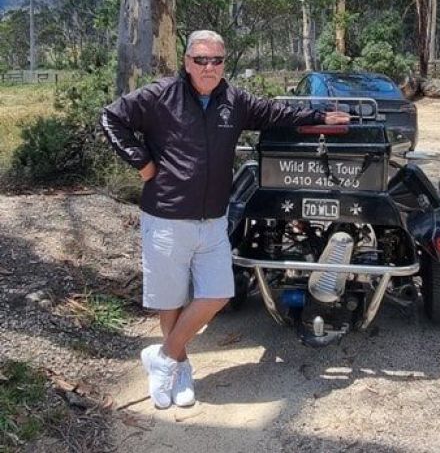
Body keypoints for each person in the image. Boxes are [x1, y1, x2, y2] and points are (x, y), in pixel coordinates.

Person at [100, 29, 349, 410]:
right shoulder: (159, 95)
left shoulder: (234, 100)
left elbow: (276, 113)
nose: (209, 66)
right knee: (170, 298)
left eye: (217, 60)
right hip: (166, 216)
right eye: (201, 59)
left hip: (213, 219)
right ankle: (179, 368)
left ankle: (163, 357)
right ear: (187, 62)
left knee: (216, 293)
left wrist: (319, 116)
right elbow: (111, 118)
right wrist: (143, 163)